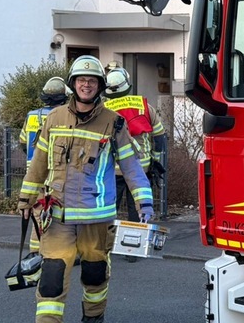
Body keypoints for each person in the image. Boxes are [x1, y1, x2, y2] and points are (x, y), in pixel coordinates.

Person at [17, 55, 154, 323]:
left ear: (100, 85)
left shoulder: (114, 123)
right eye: (82, 80)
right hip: (57, 217)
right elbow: (38, 165)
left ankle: (93, 318)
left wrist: (144, 203)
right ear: (73, 83)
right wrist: (25, 200)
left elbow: (131, 167)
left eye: (92, 81)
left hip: (96, 219)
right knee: (51, 280)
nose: (86, 85)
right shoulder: (54, 118)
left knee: (95, 276)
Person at [103, 66, 166, 256]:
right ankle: (131, 249)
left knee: (107, 207)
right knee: (136, 207)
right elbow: (160, 136)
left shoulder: (102, 109)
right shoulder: (144, 106)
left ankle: (103, 246)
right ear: (127, 84)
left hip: (110, 170)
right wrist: (155, 160)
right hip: (140, 168)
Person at [18, 77, 70, 253]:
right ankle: (58, 251)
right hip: (57, 174)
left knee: (38, 213)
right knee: (61, 214)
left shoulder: (32, 115)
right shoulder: (66, 115)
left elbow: (24, 142)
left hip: (33, 174)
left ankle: (36, 252)